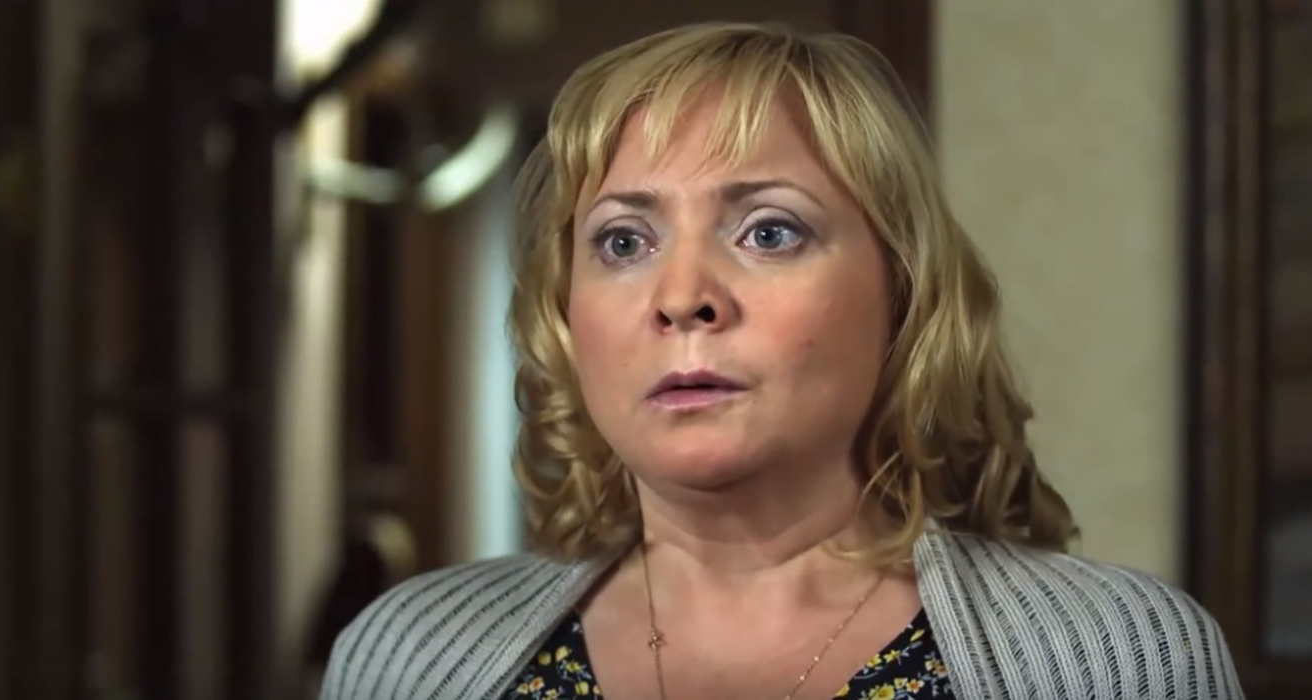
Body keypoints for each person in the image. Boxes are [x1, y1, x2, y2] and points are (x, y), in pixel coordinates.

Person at [320, 22, 1243, 700]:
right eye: (623, 242)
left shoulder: (1117, 659)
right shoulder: (406, 656)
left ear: (900, 294)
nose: (682, 296)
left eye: (768, 231)